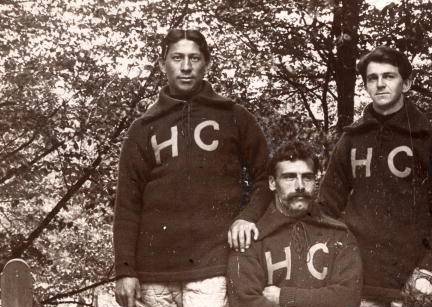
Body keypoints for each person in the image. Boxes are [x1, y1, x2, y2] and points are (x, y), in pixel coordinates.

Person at [113, 29, 271, 307]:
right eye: (177, 58)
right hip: (154, 275)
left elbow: (266, 177)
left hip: (212, 269)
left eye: (194, 58)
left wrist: (247, 217)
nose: (186, 67)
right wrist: (125, 270)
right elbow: (127, 204)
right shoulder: (143, 128)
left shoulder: (234, 116)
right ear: (163, 64)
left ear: (206, 64)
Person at [319, 46, 432, 307]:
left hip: (415, 282)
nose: (380, 84)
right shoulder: (351, 139)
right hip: (359, 280)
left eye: (389, 76)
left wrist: (428, 269)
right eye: (372, 78)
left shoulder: (430, 139)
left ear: (407, 83)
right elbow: (327, 204)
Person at [227, 141, 362, 307]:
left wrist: (285, 297)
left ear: (315, 181)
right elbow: (245, 302)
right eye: (289, 177)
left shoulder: (340, 235)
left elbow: (348, 297)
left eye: (307, 177)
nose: (300, 186)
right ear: (272, 182)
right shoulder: (250, 238)